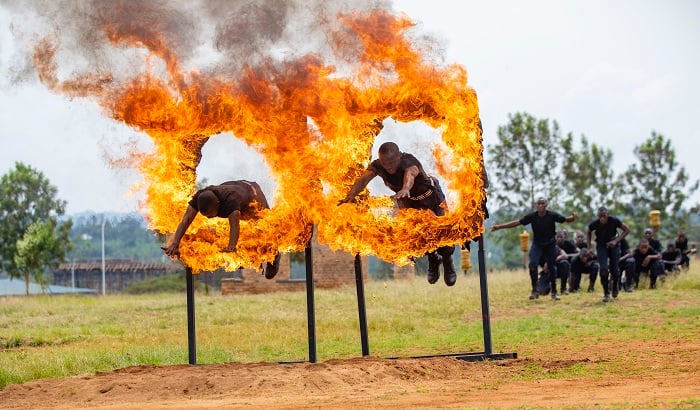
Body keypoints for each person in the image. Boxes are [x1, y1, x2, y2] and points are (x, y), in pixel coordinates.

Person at [338, 142, 457, 286]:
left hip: (431, 197)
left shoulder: (409, 162)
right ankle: (433, 259)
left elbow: (410, 174)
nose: (388, 167)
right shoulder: (378, 166)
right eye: (385, 163)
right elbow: (364, 179)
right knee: (416, 235)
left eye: (392, 162)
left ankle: (447, 261)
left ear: (399, 156)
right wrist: (351, 194)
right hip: (409, 201)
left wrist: (406, 187)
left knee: (443, 234)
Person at [162, 180, 281, 279]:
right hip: (237, 186)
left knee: (266, 229)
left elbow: (234, 225)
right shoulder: (199, 196)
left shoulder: (231, 202)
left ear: (218, 204)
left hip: (253, 194)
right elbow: (185, 220)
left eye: (209, 214)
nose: (208, 218)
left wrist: (231, 247)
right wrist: (175, 243)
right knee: (225, 236)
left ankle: (274, 256)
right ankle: (244, 260)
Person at [491, 197, 577, 300]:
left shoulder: (552, 215)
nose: (540, 205)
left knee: (552, 267)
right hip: (537, 244)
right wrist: (500, 226)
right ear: (536, 206)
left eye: (542, 203)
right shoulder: (532, 216)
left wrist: (572, 218)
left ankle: (554, 292)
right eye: (538, 204)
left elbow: (565, 220)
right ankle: (534, 290)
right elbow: (517, 222)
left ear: (546, 205)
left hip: (550, 244)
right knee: (532, 265)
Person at [587, 207, 631, 302]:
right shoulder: (595, 223)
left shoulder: (614, 221)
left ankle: (615, 285)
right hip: (601, 245)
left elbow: (627, 230)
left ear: (608, 215)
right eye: (600, 216)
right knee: (603, 269)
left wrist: (615, 241)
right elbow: (589, 231)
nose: (602, 218)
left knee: (614, 270)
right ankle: (606, 293)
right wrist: (589, 247)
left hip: (614, 245)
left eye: (604, 216)